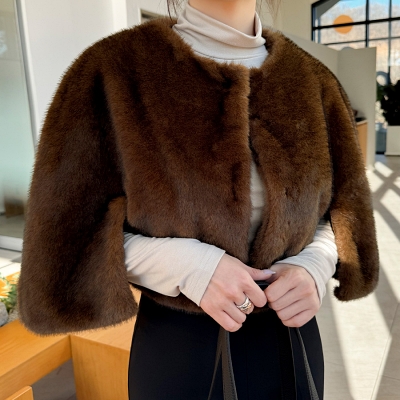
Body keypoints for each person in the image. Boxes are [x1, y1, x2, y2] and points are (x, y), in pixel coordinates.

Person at [17, 0, 379, 399]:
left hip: (289, 342)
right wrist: (186, 265)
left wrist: (314, 263)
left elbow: (341, 211)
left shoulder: (314, 82)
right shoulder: (112, 73)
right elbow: (65, 240)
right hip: (180, 350)